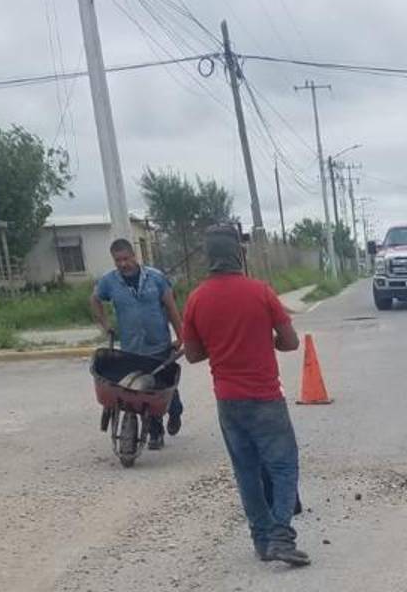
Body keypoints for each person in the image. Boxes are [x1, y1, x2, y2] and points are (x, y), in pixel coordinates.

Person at [182, 225, 309, 567]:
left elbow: (192, 354)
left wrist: (222, 346)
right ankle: (282, 536)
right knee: (283, 466)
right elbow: (291, 341)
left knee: (247, 471)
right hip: (265, 397)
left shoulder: (196, 299)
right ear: (239, 254)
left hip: (228, 401)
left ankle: (262, 540)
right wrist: (265, 341)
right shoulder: (260, 292)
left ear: (209, 259)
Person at [90, 238, 184, 449]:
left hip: (159, 344)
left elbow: (171, 308)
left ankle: (176, 413)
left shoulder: (156, 278)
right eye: (118, 261)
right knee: (141, 394)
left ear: (134, 256)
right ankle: (154, 433)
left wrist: (181, 335)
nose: (123, 264)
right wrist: (105, 325)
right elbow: (94, 299)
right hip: (132, 348)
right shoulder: (109, 282)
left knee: (164, 390)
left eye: (126, 258)